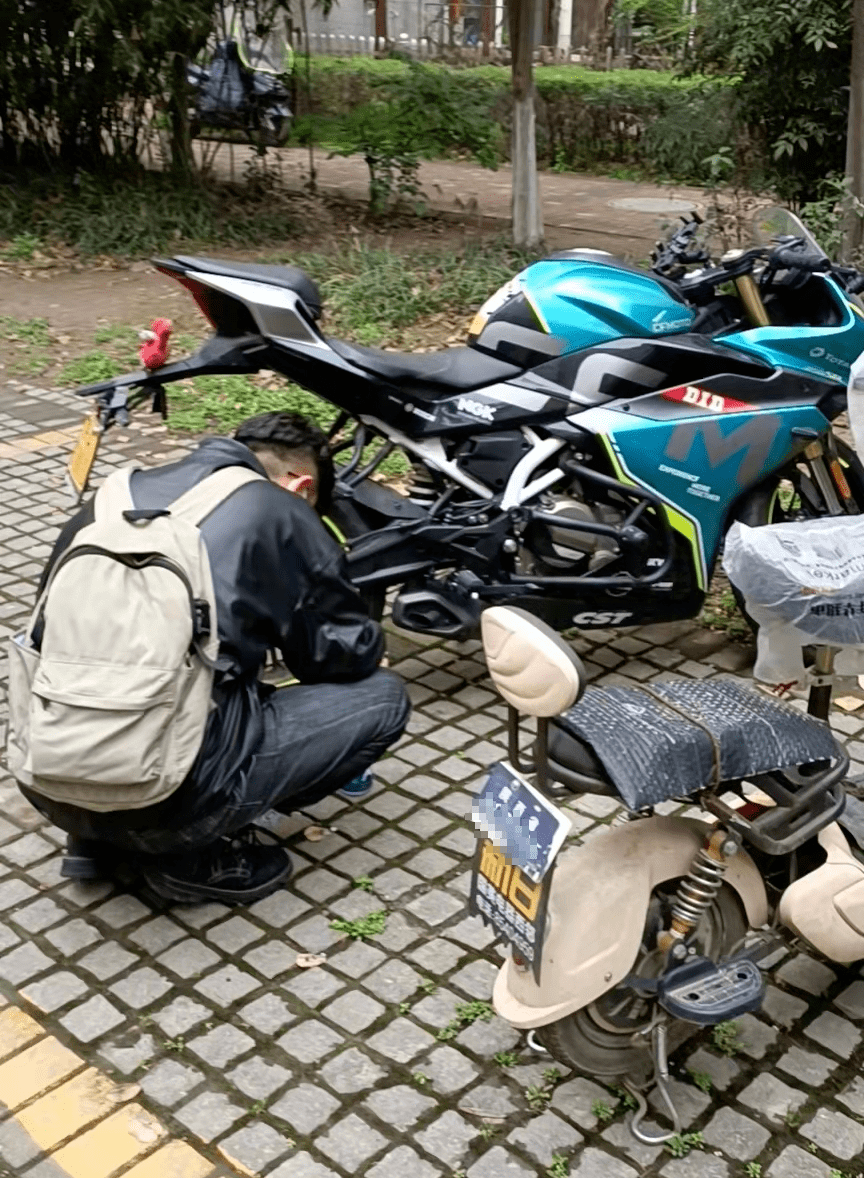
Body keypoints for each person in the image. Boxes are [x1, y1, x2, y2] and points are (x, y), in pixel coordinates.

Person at [19, 411, 410, 905]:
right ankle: (193, 859)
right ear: (302, 487)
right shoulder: (280, 510)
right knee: (385, 698)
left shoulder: (115, 494)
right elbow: (333, 659)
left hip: (48, 777)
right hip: (170, 802)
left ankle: (92, 839)